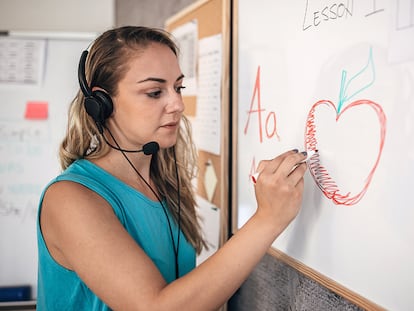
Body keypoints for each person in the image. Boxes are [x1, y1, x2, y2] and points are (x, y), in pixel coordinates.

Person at [36, 26, 307, 311]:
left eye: (178, 87)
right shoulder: (70, 199)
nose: (177, 104)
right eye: (155, 92)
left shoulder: (162, 182)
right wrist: (268, 219)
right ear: (100, 103)